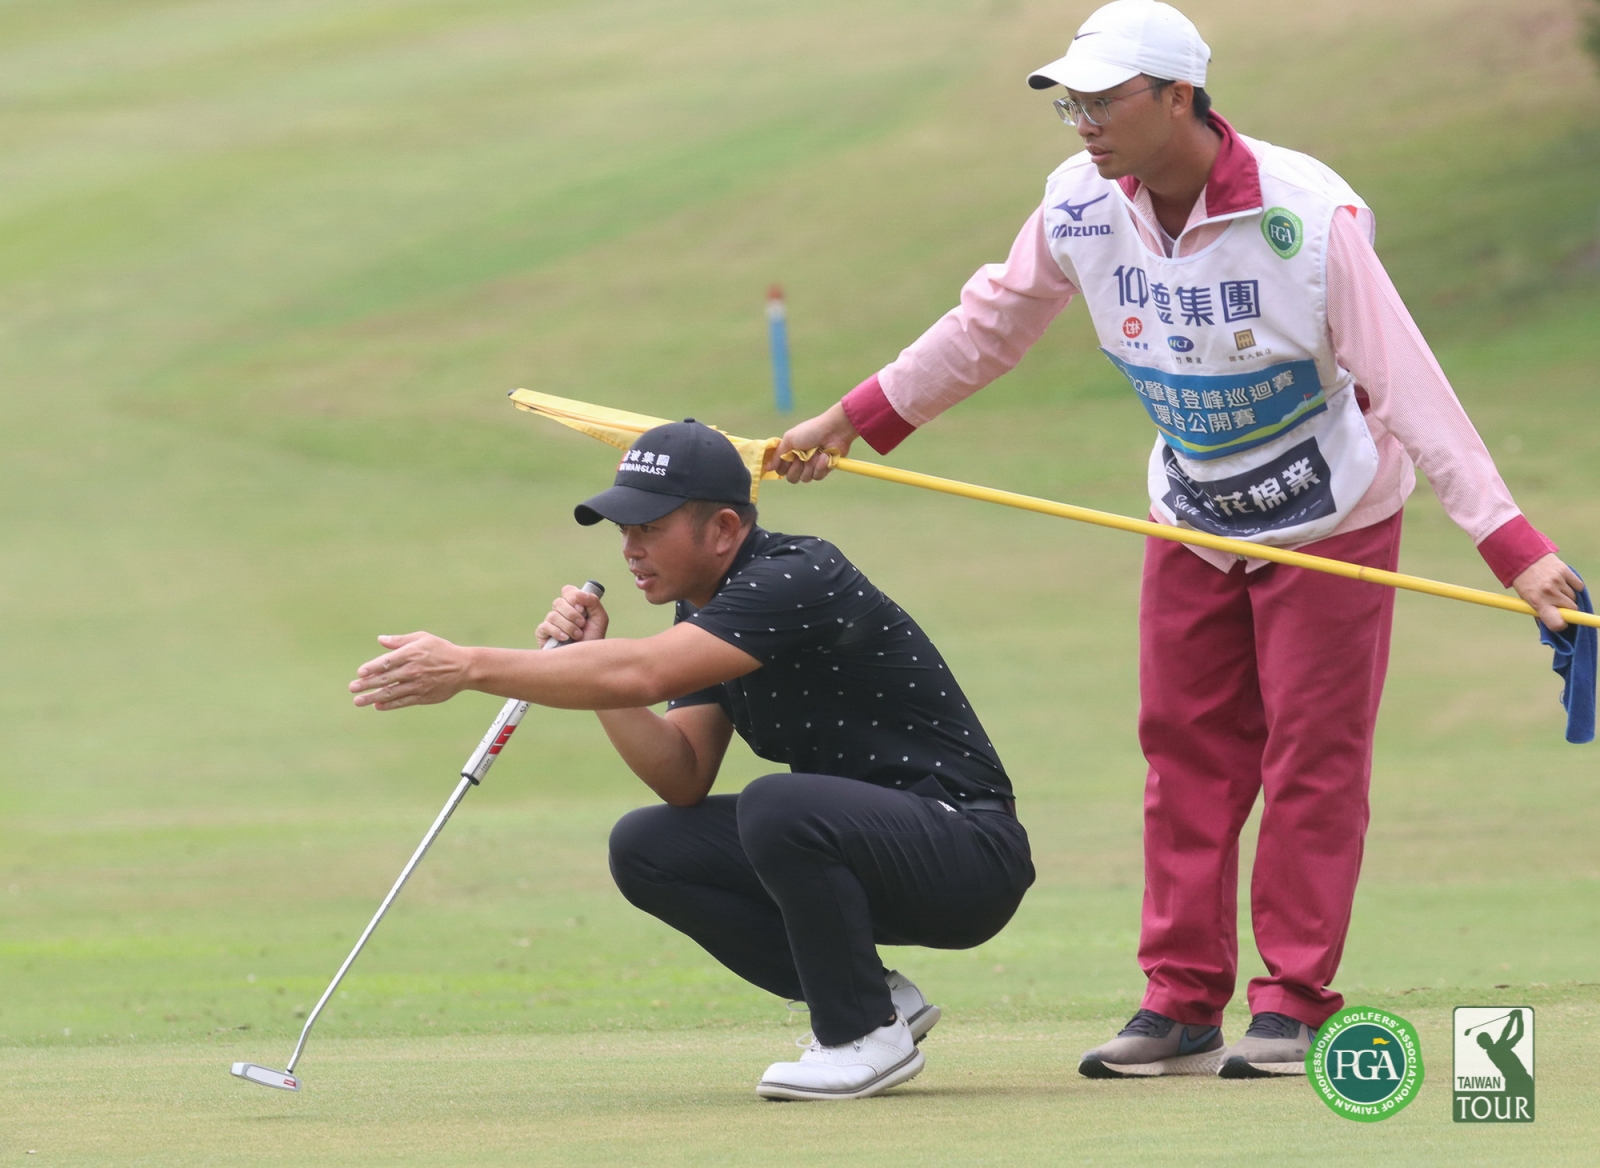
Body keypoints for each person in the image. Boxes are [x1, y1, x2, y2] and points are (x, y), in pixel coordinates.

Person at [771, 0, 1581, 1080]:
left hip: (1329, 520)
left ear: (1179, 98)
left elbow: (1410, 392)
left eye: (1103, 101)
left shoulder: (1309, 215)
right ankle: (1180, 1000)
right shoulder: (1079, 205)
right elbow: (990, 324)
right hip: (1192, 514)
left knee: (1310, 757)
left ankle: (1289, 1000)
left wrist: (1512, 547)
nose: (1083, 123)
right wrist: (855, 418)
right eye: (1071, 104)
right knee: (1182, 749)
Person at [347, 419, 1035, 1100]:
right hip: (866, 859)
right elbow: (681, 774)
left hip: (966, 853)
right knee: (649, 844)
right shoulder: (705, 608)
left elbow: (647, 674)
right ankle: (877, 1002)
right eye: (624, 530)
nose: (630, 549)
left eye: (650, 528)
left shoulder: (799, 575)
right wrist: (589, 662)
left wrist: (470, 665)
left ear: (725, 531)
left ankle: (861, 1037)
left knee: (777, 805)